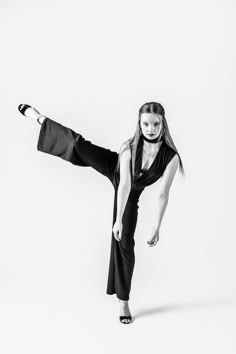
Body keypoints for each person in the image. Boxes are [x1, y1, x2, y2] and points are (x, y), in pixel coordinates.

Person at [18, 101, 185, 324]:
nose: (150, 128)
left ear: (162, 124)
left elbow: (162, 194)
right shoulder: (129, 147)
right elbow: (123, 185)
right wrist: (117, 221)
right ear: (139, 123)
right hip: (115, 167)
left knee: (126, 242)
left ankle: (123, 301)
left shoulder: (171, 157)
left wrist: (157, 226)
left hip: (134, 192)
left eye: (155, 124)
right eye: (146, 124)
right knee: (77, 145)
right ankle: (39, 118)